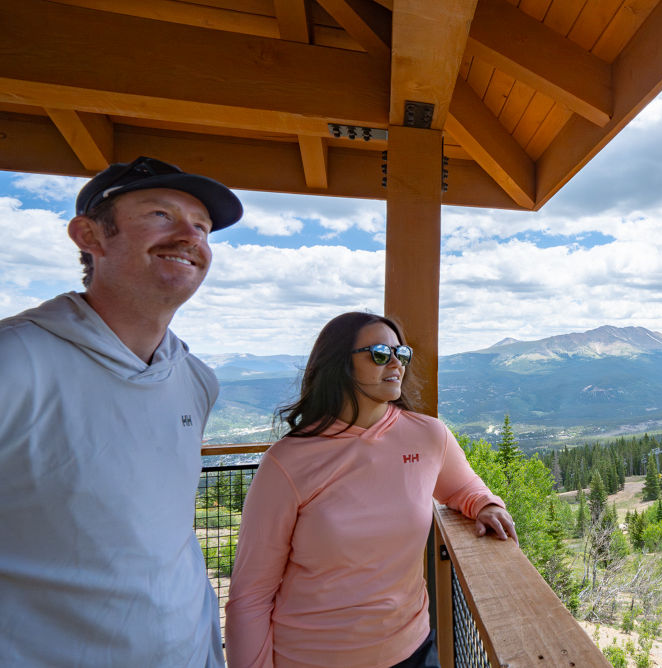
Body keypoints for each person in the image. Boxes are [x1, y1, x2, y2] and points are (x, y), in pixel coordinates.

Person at [0, 156, 242, 666]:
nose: (190, 237)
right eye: (160, 214)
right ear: (89, 235)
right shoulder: (15, 360)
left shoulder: (196, 379)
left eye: (201, 227)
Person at [225, 312, 517, 668]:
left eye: (402, 353)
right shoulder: (286, 463)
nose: (396, 363)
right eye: (380, 353)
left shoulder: (428, 436)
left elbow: (461, 486)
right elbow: (250, 596)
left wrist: (486, 505)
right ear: (340, 365)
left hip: (413, 649)